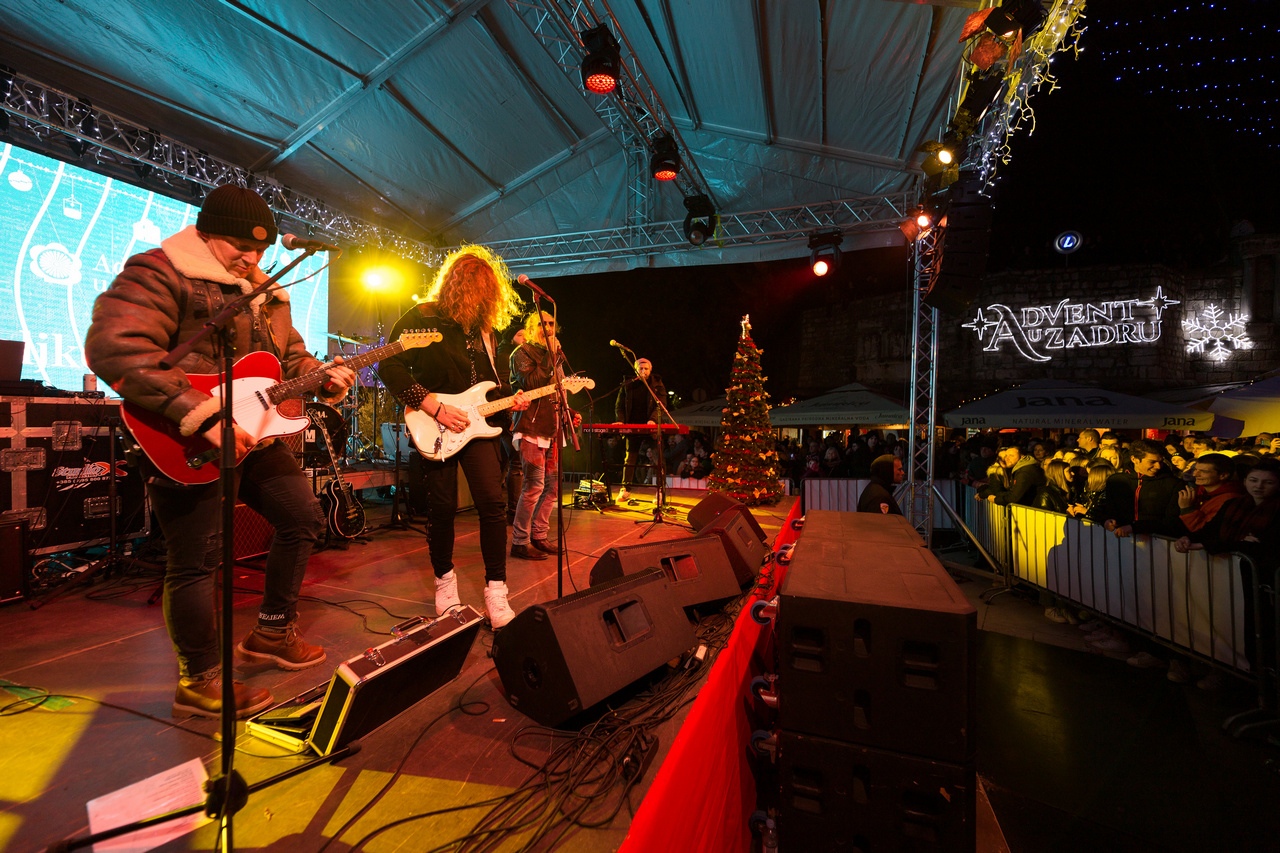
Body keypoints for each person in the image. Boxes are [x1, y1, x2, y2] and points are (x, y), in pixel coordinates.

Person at [84, 184, 356, 718]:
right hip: (184, 434)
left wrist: (321, 376)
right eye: (239, 247)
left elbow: (290, 357)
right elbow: (116, 346)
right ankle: (199, 679)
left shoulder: (268, 293)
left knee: (303, 517)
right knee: (198, 560)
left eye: (259, 250)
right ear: (206, 234)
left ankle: (271, 633)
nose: (251, 259)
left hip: (252, 434)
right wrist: (203, 415)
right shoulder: (162, 270)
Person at [379, 245, 529, 630]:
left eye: (488, 292)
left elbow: (489, 386)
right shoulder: (423, 316)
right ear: (457, 285)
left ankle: (496, 591)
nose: (482, 298)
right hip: (436, 424)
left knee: (493, 504)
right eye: (476, 288)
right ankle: (444, 584)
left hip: (478, 428)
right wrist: (433, 406)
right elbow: (389, 365)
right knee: (442, 508)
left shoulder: (485, 331)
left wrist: (511, 398)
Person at [509, 311, 582, 561]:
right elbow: (532, 384)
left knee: (553, 487)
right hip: (531, 427)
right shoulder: (522, 353)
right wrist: (550, 357)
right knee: (534, 486)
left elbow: (558, 391)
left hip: (553, 428)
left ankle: (539, 536)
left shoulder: (555, 357)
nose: (548, 327)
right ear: (532, 328)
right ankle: (519, 541)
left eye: (551, 323)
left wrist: (570, 413)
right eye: (542, 323)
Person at [1102, 439, 1182, 538]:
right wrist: (1106, 521)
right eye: (1152, 462)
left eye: (1161, 462)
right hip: (1119, 542)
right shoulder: (1116, 481)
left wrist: (1135, 527)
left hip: (1159, 544)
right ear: (1134, 459)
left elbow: (1172, 521)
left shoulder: (1173, 484)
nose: (1158, 466)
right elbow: (1106, 509)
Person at [614, 357, 667, 500]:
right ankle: (626, 489)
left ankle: (660, 491)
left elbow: (661, 405)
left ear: (650, 370)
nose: (643, 371)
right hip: (632, 426)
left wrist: (653, 420)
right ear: (635, 369)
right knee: (630, 458)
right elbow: (619, 405)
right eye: (640, 368)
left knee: (658, 459)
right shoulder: (628, 384)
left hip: (651, 427)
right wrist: (620, 421)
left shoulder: (657, 384)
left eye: (646, 368)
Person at [1177, 453, 1244, 533]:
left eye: (1204, 471)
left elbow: (1205, 531)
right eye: (1195, 469)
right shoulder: (1199, 492)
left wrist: (1187, 509)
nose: (1195, 474)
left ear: (1223, 475)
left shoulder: (1229, 500)